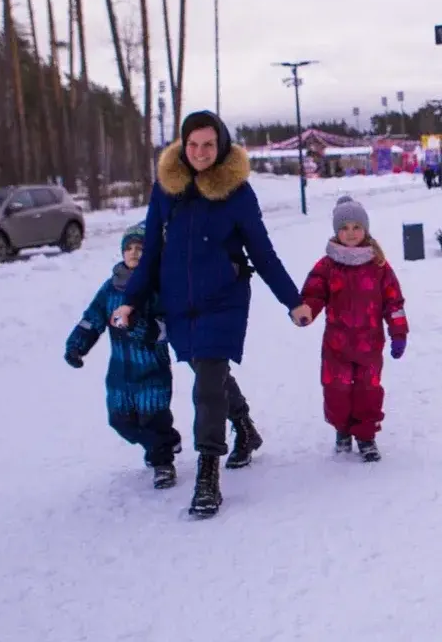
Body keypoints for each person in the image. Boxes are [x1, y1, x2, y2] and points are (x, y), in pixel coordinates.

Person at [112, 110, 313, 518]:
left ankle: (208, 475)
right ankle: (245, 428)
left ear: (220, 145)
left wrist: (293, 301)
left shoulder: (237, 192)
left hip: (224, 299)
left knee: (206, 383)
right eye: (193, 144)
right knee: (210, 374)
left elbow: (262, 252)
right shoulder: (166, 189)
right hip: (179, 301)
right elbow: (151, 252)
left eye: (208, 144)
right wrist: (130, 300)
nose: (200, 152)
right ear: (183, 146)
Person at [65, 222, 182, 489]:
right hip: (120, 372)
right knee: (120, 420)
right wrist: (76, 346)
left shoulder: (158, 286)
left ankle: (162, 462)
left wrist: (142, 327)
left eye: (140, 248)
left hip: (152, 370)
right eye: (128, 248)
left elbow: (169, 327)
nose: (134, 253)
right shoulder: (111, 289)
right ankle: (164, 441)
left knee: (153, 418)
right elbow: (92, 319)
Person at [299, 195, 408, 462]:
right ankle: (342, 429)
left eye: (356, 227)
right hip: (337, 345)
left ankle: (366, 436)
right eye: (344, 228)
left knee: (368, 391)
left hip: (370, 345)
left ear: (365, 229)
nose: (350, 233)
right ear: (336, 231)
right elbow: (313, 294)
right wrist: (306, 311)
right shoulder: (327, 266)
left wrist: (398, 332)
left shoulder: (378, 265)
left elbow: (394, 301)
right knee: (336, 389)